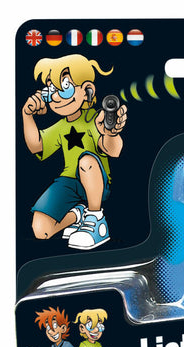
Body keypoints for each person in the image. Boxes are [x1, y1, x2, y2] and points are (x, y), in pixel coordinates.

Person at [22, 54, 128, 250]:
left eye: (65, 87)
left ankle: (95, 218)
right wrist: (27, 115)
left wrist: (110, 132)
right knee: (40, 230)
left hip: (96, 181)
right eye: (51, 90)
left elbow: (114, 151)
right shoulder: (61, 126)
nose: (55, 97)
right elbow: (36, 145)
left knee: (85, 160)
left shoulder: (95, 118)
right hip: (68, 183)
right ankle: (78, 215)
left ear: (87, 91)